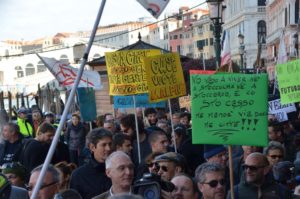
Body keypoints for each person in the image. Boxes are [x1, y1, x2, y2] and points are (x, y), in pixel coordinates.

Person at [70, 128, 112, 199]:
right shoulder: (79, 175)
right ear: (92, 147)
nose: (108, 148)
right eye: (104, 145)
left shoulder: (120, 169)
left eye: (110, 144)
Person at [227, 152, 292, 199]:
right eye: (245, 167)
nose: (248, 171)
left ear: (265, 170)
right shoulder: (234, 193)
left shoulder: (282, 192)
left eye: (253, 168)